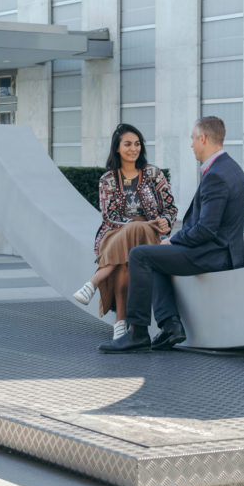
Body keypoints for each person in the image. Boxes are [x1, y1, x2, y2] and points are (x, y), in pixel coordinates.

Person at [99, 116, 244, 353]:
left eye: (193, 139)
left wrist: (174, 239)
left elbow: (206, 229)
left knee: (139, 255)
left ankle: (137, 332)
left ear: (203, 138)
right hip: (222, 250)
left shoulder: (217, 175)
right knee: (154, 255)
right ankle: (171, 325)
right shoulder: (231, 168)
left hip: (214, 254)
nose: (191, 144)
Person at [73, 123, 177, 339]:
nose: (133, 149)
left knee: (127, 259)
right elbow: (109, 215)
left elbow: (170, 207)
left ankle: (97, 287)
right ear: (117, 148)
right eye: (128, 144)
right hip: (115, 232)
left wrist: (166, 221)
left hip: (151, 232)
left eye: (137, 144)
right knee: (131, 241)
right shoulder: (108, 179)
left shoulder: (154, 174)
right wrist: (136, 225)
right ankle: (121, 321)